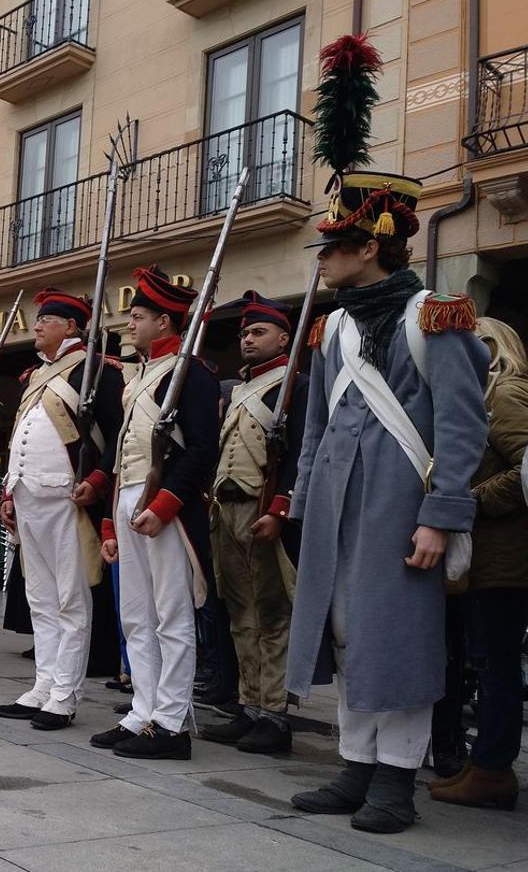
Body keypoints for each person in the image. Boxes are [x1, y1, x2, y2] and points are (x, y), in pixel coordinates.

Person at [286, 168, 489, 833]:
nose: (322, 257)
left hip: (402, 509)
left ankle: (396, 780)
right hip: (337, 509)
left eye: (332, 244)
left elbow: (463, 430)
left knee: (395, 640)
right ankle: (356, 766)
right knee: (347, 633)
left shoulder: (436, 316)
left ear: (370, 245)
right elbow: (315, 427)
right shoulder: (334, 327)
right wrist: (304, 505)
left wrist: (441, 518)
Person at [85, 266, 219, 761]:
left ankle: (171, 721)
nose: (129, 324)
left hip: (165, 504)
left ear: (165, 322)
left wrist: (164, 506)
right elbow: (122, 451)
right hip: (128, 498)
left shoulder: (192, 374)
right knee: (136, 617)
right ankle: (142, 712)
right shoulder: (137, 376)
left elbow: (203, 449)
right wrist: (109, 518)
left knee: (171, 616)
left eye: (138, 316)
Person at [427, 318, 528, 809]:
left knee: (495, 661)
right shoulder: (489, 397)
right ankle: (486, 765)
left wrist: (465, 501)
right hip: (494, 556)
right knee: (489, 659)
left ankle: (493, 770)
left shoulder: (504, 395)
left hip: (506, 557)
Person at [0, 289, 124, 731]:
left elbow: (116, 434)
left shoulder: (96, 372)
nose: (37, 325)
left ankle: (65, 695)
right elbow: (20, 439)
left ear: (71, 327)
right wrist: (10, 493)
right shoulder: (36, 376)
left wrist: (99, 481)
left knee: (70, 599)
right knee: (40, 598)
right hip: (29, 497)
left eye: (46, 319)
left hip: (68, 498)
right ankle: (43, 686)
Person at [197, 291, 307, 755]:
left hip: (264, 514)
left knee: (271, 615)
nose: (247, 338)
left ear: (284, 337)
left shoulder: (295, 385)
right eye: (244, 332)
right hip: (227, 511)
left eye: (258, 331)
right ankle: (248, 705)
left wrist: (278, 510)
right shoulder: (239, 389)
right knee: (240, 615)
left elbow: (301, 452)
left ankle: (274, 713)